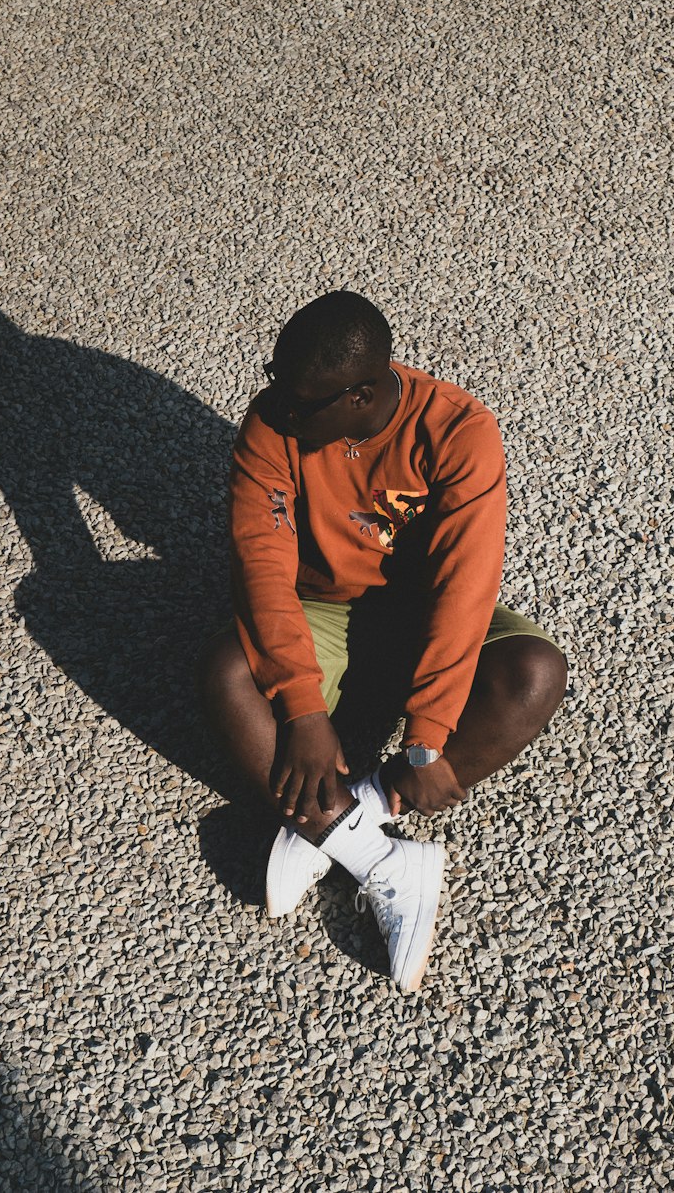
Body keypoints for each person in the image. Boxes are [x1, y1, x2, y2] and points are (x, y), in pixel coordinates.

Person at [201, 291, 566, 992]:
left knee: (534, 674)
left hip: (424, 613)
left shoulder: (459, 431)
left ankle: (345, 813)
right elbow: (262, 569)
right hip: (324, 608)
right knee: (225, 673)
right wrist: (304, 711)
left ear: (361, 394)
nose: (279, 406)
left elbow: (465, 588)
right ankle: (380, 859)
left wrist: (427, 739)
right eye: (275, 381)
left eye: (301, 400)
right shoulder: (272, 423)